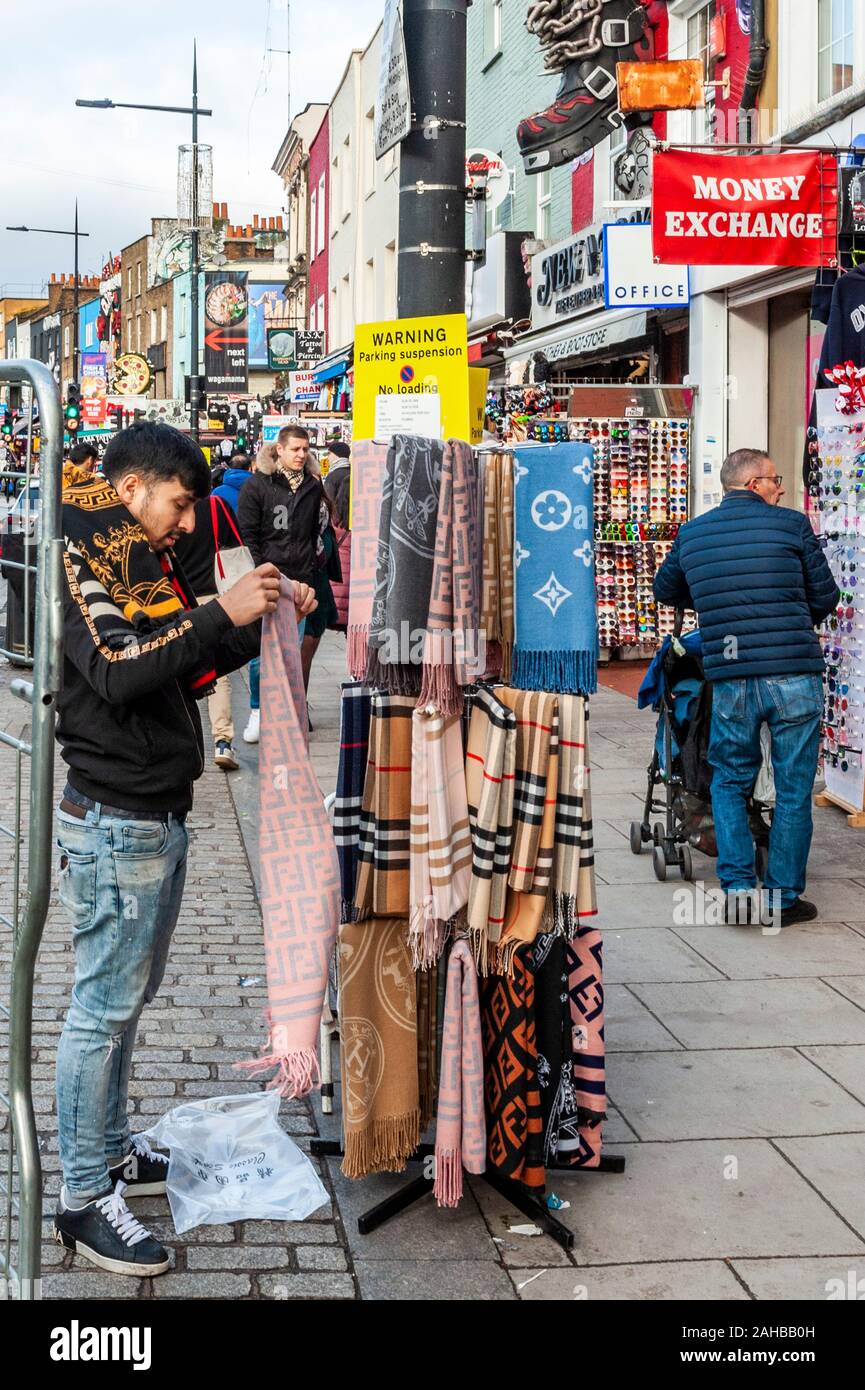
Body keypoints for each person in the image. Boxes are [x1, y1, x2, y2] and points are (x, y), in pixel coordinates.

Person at [52, 421, 316, 1277]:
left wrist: (262, 608)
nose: (185, 523)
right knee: (101, 1011)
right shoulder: (85, 560)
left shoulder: (135, 557)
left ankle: (114, 1149)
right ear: (132, 489)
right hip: (115, 816)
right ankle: (85, 1196)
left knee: (124, 1004)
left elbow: (186, 666)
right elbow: (126, 671)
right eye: (176, 503)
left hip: (152, 813)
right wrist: (217, 612)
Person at [653, 447, 839, 928]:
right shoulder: (792, 526)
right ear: (755, 484)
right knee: (795, 787)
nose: (782, 488)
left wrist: (716, 604)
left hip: (730, 676)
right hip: (793, 673)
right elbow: (825, 595)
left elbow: (666, 589)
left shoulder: (692, 533)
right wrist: (792, 624)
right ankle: (780, 898)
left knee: (730, 781)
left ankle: (736, 891)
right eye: (776, 479)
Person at [237, 425, 338, 695]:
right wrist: (260, 570)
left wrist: (311, 567)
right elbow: (248, 534)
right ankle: (260, 708)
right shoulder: (257, 485)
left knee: (292, 649)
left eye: (305, 449)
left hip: (300, 579)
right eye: (295, 449)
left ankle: (289, 708)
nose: (301, 454)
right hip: (268, 577)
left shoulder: (312, 486)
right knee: (263, 651)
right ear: (279, 449)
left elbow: (313, 532)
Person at [171, 484, 251, 770]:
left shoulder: (164, 507)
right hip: (212, 597)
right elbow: (238, 545)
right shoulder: (216, 506)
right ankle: (223, 741)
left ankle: (181, 744)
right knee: (218, 676)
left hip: (172, 598)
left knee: (171, 667)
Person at [323, 442, 351, 634]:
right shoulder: (354, 474)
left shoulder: (333, 476)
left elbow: (326, 506)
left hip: (339, 530)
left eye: (330, 453)